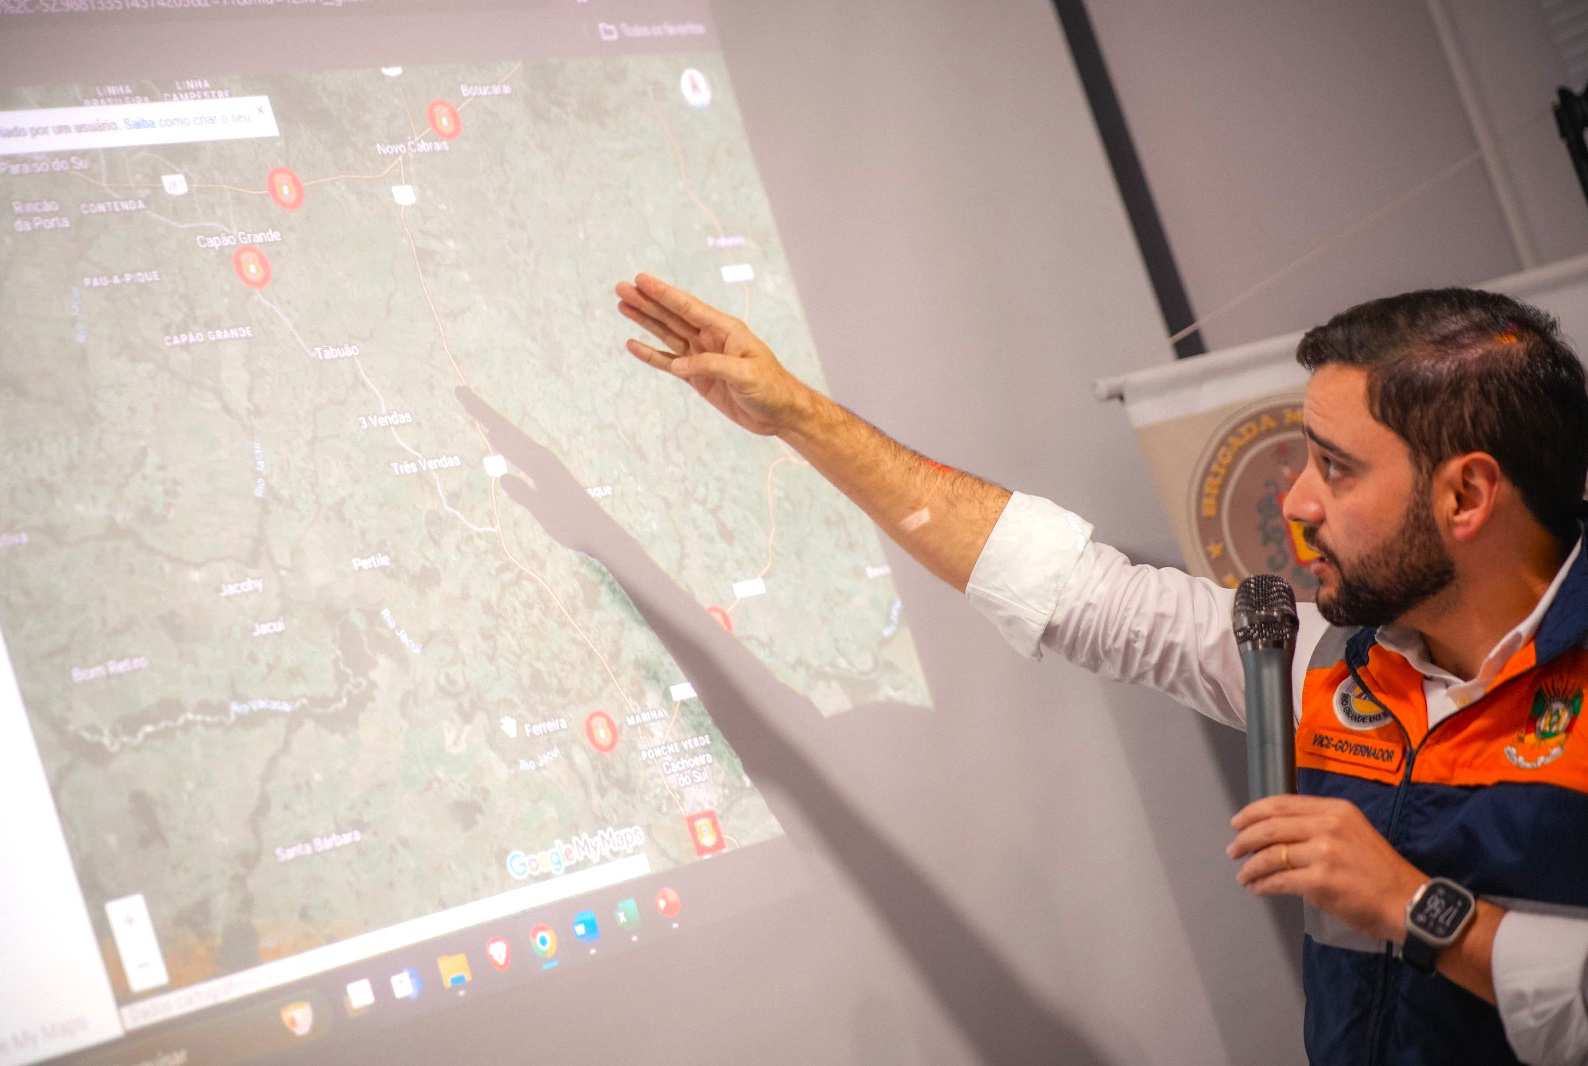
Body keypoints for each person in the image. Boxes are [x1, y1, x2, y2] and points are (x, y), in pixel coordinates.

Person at [614, 275, 1588, 1066]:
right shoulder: (1324, 662)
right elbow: (1070, 588)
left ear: (1466, 495)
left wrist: (1415, 910)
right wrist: (797, 414)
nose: (1295, 501)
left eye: (1335, 467)